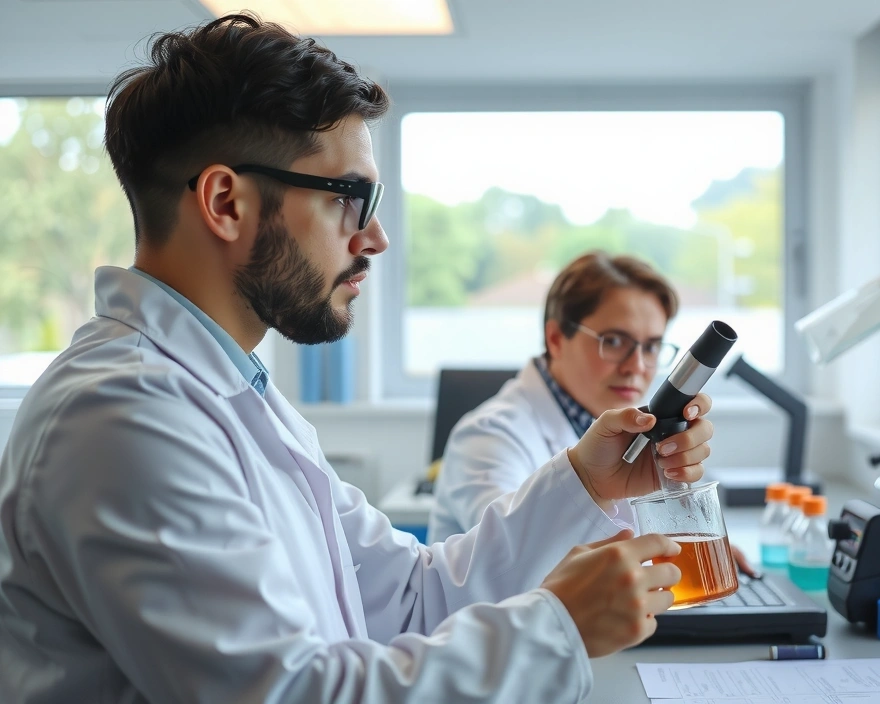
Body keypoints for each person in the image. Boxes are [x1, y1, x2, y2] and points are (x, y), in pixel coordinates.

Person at [0, 15, 717, 704]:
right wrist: (556, 627)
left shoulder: (238, 395)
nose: (374, 239)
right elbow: (284, 695)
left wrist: (587, 483)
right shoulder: (123, 418)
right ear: (225, 202)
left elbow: (413, 599)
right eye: (351, 197)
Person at [428, 252, 756, 577]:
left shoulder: (635, 430)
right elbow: (512, 562)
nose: (637, 367)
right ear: (556, 339)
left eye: (651, 346)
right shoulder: (488, 437)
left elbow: (660, 537)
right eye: (613, 341)